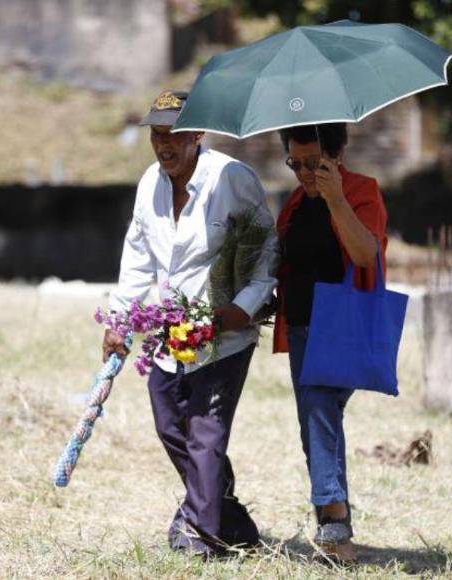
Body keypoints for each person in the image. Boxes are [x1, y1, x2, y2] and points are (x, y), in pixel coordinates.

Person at [103, 90, 279, 558]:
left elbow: (265, 249)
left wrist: (241, 310)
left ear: (197, 134)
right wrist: (119, 319)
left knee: (205, 434)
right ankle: (231, 521)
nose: (164, 145)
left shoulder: (230, 178)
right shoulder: (149, 184)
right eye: (156, 136)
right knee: (170, 424)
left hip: (225, 332)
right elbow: (138, 259)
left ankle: (201, 537)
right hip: (170, 333)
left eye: (173, 135)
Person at [273, 123, 388, 563]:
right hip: (301, 328)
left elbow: (365, 254)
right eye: (295, 163)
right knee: (316, 427)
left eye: (313, 163)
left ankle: (333, 520)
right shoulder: (295, 203)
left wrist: (335, 197)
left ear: (337, 155)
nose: (304, 173)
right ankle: (337, 532)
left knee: (319, 409)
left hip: (341, 326)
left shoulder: (361, 191)